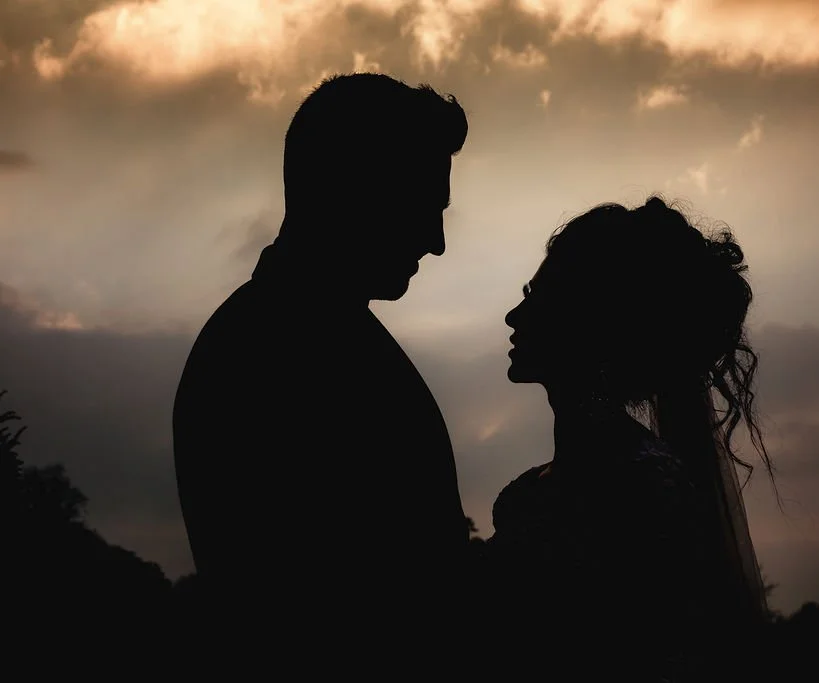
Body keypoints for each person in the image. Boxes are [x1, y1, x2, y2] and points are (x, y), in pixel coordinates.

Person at [171, 73, 470, 665]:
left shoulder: (298, 335)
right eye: (423, 207)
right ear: (356, 191)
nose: (436, 242)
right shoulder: (272, 353)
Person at [485, 196, 776, 681]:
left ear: (592, 324)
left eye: (539, 297)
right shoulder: (569, 481)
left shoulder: (640, 486)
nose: (514, 316)